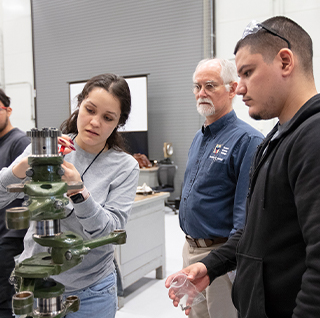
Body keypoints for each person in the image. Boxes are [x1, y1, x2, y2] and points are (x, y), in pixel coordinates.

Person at [166, 16, 320, 318]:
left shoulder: (312, 138)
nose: (239, 88)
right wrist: (211, 266)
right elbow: (254, 231)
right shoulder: (278, 138)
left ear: (285, 62)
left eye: (248, 73)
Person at [0, 73, 139, 318]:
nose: (95, 122)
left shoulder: (124, 166)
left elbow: (110, 232)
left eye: (108, 118)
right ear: (79, 105)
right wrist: (19, 169)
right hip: (35, 284)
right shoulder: (45, 148)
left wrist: (79, 192)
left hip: (90, 292)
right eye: (90, 110)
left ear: (118, 123)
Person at [177, 58, 263, 318]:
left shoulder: (248, 140)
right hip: (189, 249)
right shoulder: (199, 136)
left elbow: (244, 217)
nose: (201, 93)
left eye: (210, 86)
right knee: (194, 315)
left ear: (232, 89)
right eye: (197, 86)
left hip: (220, 257)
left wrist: (226, 262)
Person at [0, 89, 30, 318]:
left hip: (10, 239)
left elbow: (26, 195)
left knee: (8, 300)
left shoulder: (19, 143)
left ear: (8, 110)